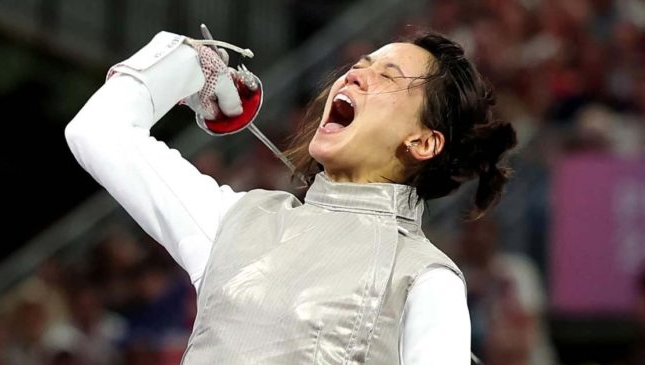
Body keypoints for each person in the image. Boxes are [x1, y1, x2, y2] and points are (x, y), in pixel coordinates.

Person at [65, 26, 517, 364]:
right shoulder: (238, 222)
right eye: (358, 66)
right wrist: (186, 65)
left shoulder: (426, 279)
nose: (354, 77)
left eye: (388, 76)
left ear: (423, 141)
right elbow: (98, 132)